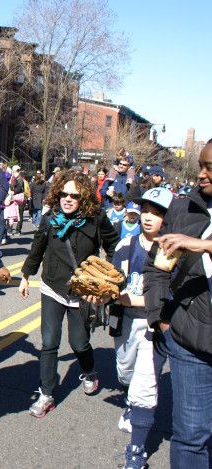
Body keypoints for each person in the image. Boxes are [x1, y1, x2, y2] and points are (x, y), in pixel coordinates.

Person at [19, 169, 119, 419]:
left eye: (74, 196)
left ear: (83, 197)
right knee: (49, 342)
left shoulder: (95, 219)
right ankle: (47, 394)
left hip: (82, 292)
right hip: (52, 287)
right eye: (63, 194)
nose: (67, 199)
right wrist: (25, 276)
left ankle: (89, 369)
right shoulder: (50, 218)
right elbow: (37, 247)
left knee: (79, 343)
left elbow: (114, 245)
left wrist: (107, 276)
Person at [143, 140, 212, 468]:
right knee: (190, 436)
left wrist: (203, 245)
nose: (201, 174)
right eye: (200, 165)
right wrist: (160, 317)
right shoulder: (183, 211)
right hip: (190, 343)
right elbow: (155, 269)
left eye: (209, 167)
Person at [109, 188, 173, 469]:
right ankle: (129, 398)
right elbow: (111, 283)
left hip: (153, 324)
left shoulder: (173, 251)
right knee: (125, 371)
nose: (148, 217)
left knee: (146, 384)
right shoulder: (126, 245)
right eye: (146, 210)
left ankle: (136, 451)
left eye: (157, 213)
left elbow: (168, 296)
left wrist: (131, 298)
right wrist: (103, 293)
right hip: (125, 321)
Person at [9, 165, 28, 234]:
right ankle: (12, 229)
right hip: (15, 198)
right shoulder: (13, 178)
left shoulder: (19, 179)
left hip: (19, 199)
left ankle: (18, 230)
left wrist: (13, 191)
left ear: (15, 171)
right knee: (13, 214)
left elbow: (19, 188)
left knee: (19, 214)